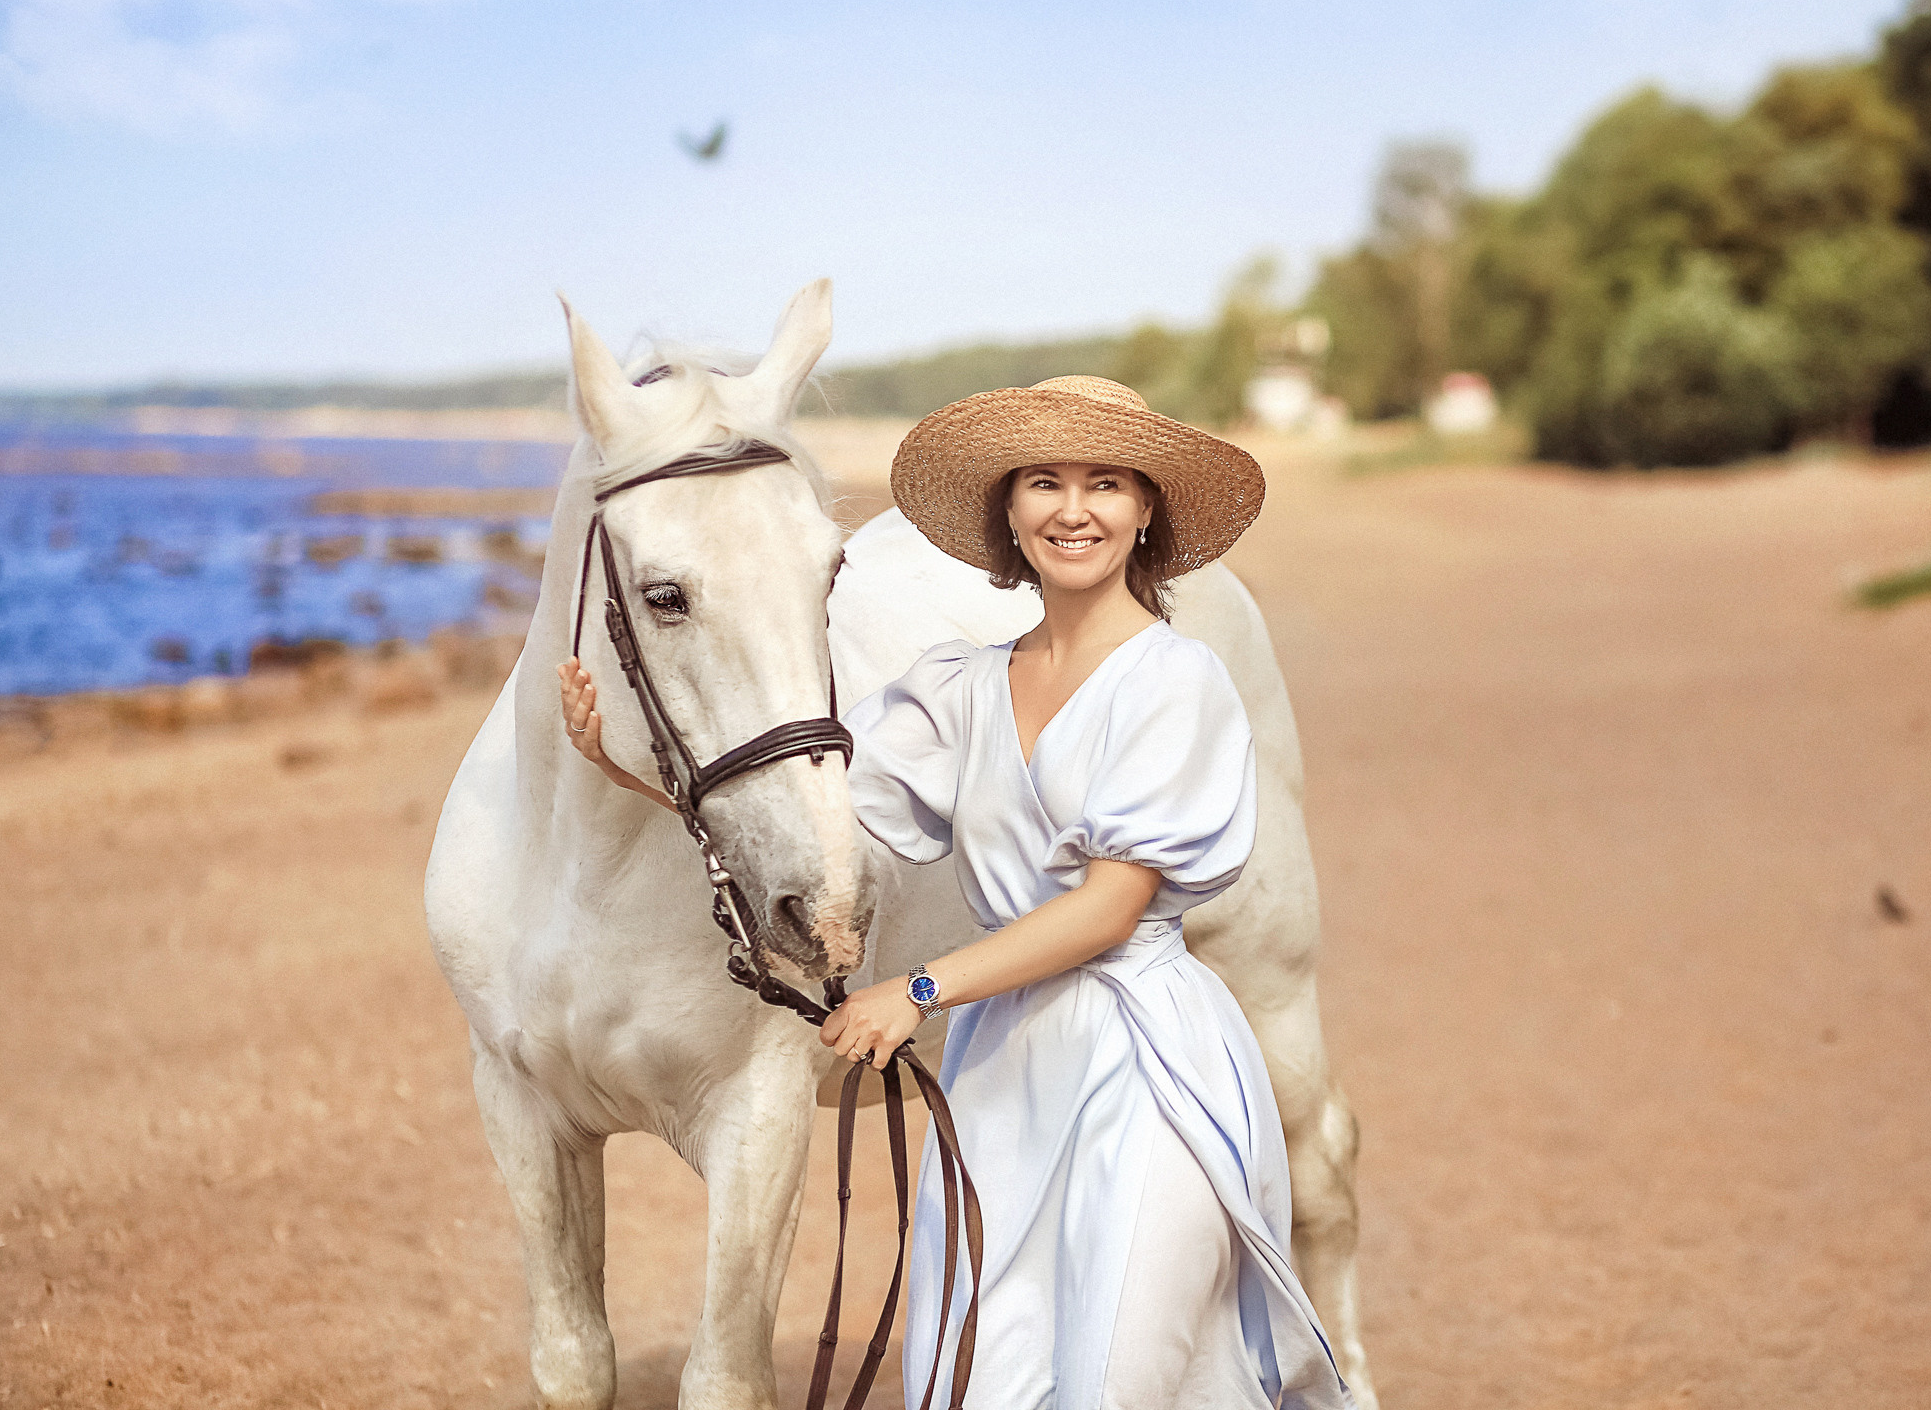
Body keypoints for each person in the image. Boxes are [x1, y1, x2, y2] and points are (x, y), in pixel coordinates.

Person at [560, 375, 1351, 1410]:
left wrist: (918, 990)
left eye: (1105, 483)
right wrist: (625, 768)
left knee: (1119, 1379)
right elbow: (821, 821)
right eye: (1044, 483)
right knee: (990, 1386)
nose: (1074, 510)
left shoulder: (1175, 682)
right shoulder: (958, 692)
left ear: (1146, 507)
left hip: (1149, 1067)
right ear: (1008, 511)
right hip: (997, 1087)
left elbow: (1112, 908)